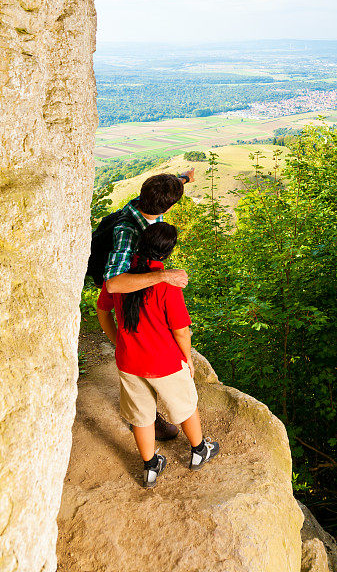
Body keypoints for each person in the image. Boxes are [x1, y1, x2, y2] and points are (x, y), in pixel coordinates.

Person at [97, 222, 220, 488]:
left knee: (141, 416)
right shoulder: (167, 284)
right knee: (185, 405)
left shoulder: (121, 278)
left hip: (129, 361)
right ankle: (200, 451)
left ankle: (151, 467)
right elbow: (181, 331)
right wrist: (187, 360)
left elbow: (102, 310)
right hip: (163, 362)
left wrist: (118, 341)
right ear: (166, 253)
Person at [104, 170, 194, 441]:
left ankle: (145, 422)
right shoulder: (127, 232)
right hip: (128, 282)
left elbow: (165, 190)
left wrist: (184, 179)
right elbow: (113, 285)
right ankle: (148, 419)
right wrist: (165, 276)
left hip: (142, 281)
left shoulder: (149, 202)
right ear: (165, 207)